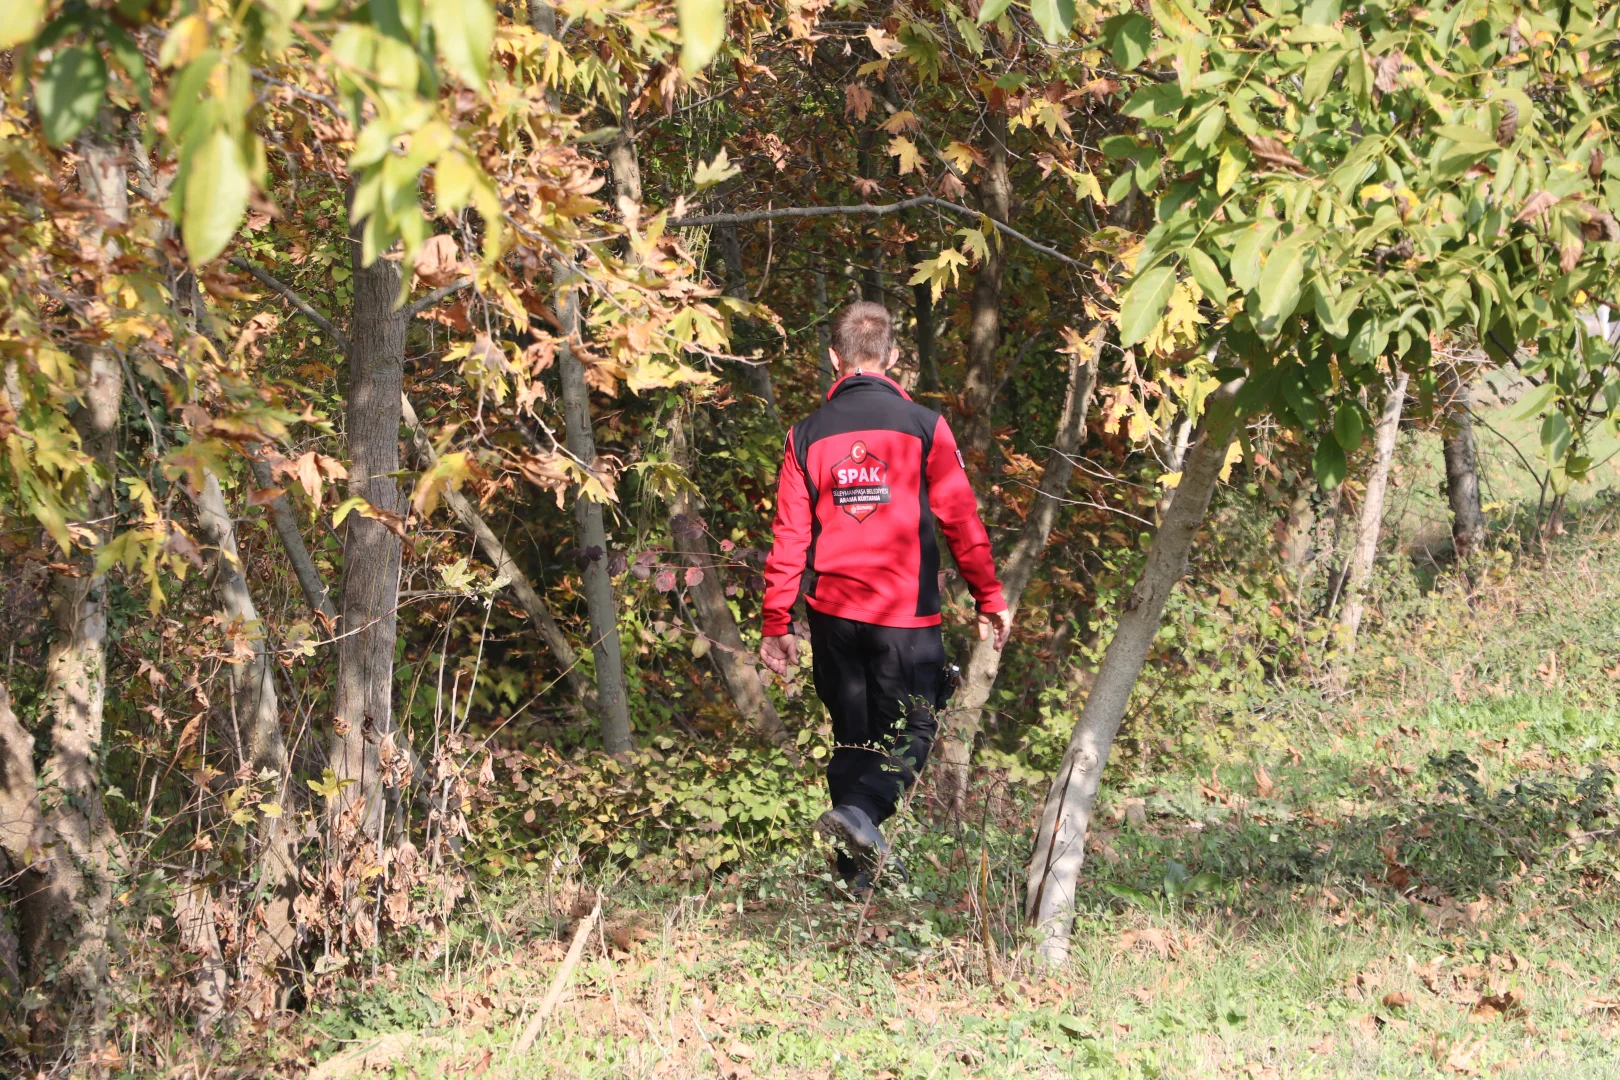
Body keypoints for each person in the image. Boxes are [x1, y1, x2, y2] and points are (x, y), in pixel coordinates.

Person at [758, 300, 1010, 891]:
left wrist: (776, 623)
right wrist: (989, 597)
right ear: (894, 358)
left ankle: (856, 883)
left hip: (831, 619)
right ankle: (862, 816)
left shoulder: (806, 435)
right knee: (912, 730)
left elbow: (789, 537)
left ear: (833, 358)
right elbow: (961, 521)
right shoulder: (925, 426)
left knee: (853, 740)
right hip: (904, 616)